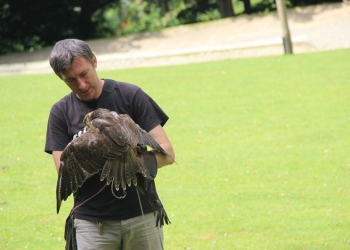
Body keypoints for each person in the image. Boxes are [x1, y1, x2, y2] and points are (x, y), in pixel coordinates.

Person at [44, 39, 175, 249]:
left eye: (83, 74)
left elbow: (167, 153)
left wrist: (130, 162)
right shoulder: (60, 112)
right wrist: (102, 153)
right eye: (70, 80)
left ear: (94, 61)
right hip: (92, 223)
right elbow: (63, 168)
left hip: (142, 214)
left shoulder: (131, 96)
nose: (81, 84)